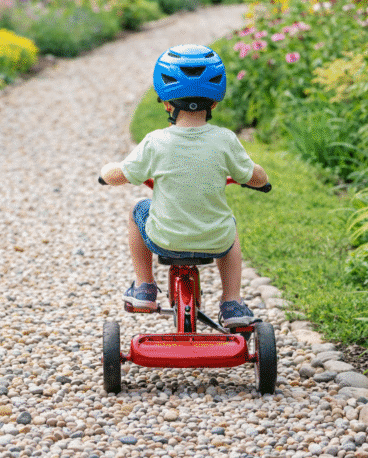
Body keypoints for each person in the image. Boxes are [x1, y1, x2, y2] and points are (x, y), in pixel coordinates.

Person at [100, 44, 268, 327]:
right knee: (229, 225)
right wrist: (262, 181)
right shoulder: (226, 140)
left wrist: (106, 172)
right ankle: (232, 302)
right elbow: (254, 175)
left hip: (164, 239)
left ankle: (144, 287)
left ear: (166, 103)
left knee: (137, 210)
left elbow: (121, 175)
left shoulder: (156, 142)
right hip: (215, 241)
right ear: (214, 103)